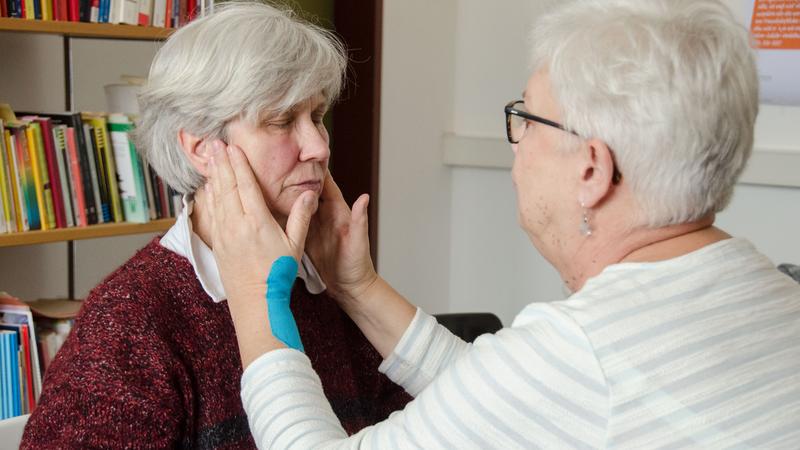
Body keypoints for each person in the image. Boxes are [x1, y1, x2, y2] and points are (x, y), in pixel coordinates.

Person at [207, 0, 800, 448]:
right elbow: (514, 400)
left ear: (592, 168)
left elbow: (543, 385)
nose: (517, 145)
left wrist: (258, 300)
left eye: (528, 118)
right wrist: (358, 288)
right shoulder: (775, 294)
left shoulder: (581, 353)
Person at [20, 3, 410, 448]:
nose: (318, 145)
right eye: (282, 121)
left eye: (317, 117)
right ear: (203, 148)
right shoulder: (131, 319)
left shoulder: (329, 288)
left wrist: (358, 288)